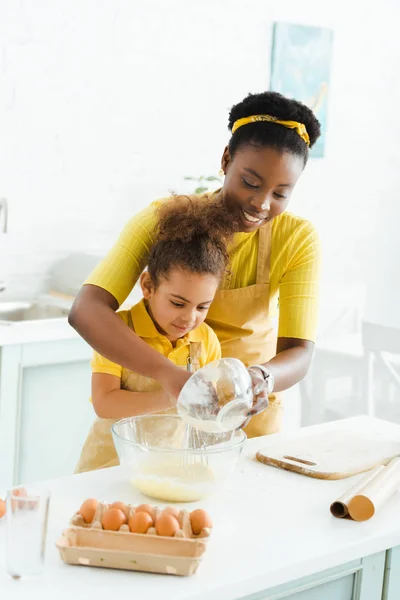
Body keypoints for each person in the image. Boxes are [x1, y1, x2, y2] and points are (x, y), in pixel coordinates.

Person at [70, 91, 321, 438]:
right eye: (250, 182)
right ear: (225, 159)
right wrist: (172, 379)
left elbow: (299, 353)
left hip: (247, 420)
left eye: (280, 193)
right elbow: (86, 311)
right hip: (165, 416)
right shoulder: (164, 219)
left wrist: (262, 377)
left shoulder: (297, 239)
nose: (261, 203)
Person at [75, 195, 236, 473]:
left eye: (202, 306)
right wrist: (174, 397)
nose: (189, 317)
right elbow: (104, 403)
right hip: (108, 469)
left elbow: (207, 409)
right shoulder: (118, 331)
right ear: (148, 286)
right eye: (177, 303)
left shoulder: (206, 339)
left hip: (166, 469)